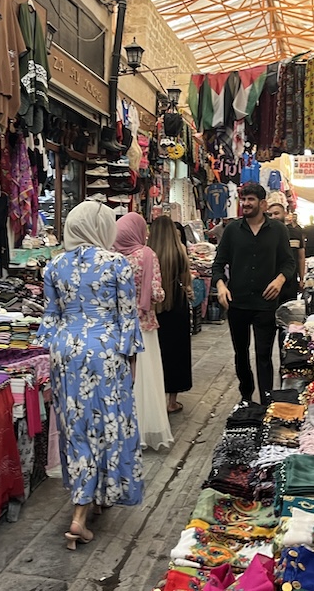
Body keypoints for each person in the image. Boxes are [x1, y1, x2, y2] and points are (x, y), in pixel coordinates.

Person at [37, 201, 144, 550]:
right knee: (108, 425)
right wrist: (131, 366)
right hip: (106, 352)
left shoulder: (54, 265)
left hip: (66, 354)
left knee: (76, 429)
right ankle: (82, 515)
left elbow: (50, 321)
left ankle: (86, 500)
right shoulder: (117, 264)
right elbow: (128, 319)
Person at [211, 182, 296, 403]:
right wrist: (221, 286)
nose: (246, 203)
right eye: (243, 199)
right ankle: (246, 396)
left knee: (264, 355)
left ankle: (267, 400)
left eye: (251, 199)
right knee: (241, 355)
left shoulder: (278, 230)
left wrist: (279, 280)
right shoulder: (232, 230)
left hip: (266, 303)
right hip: (237, 303)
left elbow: (289, 263)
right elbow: (218, 264)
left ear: (263, 203)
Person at [114, 213, 174, 450]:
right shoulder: (147, 255)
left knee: (123, 380)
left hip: (118, 327)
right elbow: (157, 293)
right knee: (146, 379)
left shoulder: (112, 256)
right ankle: (146, 429)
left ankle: (123, 430)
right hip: (145, 325)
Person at [150, 215, 194, 414]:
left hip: (154, 307)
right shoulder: (180, 251)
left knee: (156, 353)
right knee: (177, 353)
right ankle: (172, 402)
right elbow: (187, 281)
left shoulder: (147, 253)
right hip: (176, 305)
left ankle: (155, 398)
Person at [268, 200, 305, 300]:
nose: (273, 217)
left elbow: (301, 257)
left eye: (276, 213)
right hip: (270, 283)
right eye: (270, 214)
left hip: (290, 281)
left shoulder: (295, 233)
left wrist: (301, 279)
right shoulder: (265, 234)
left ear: (284, 214)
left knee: (289, 311)